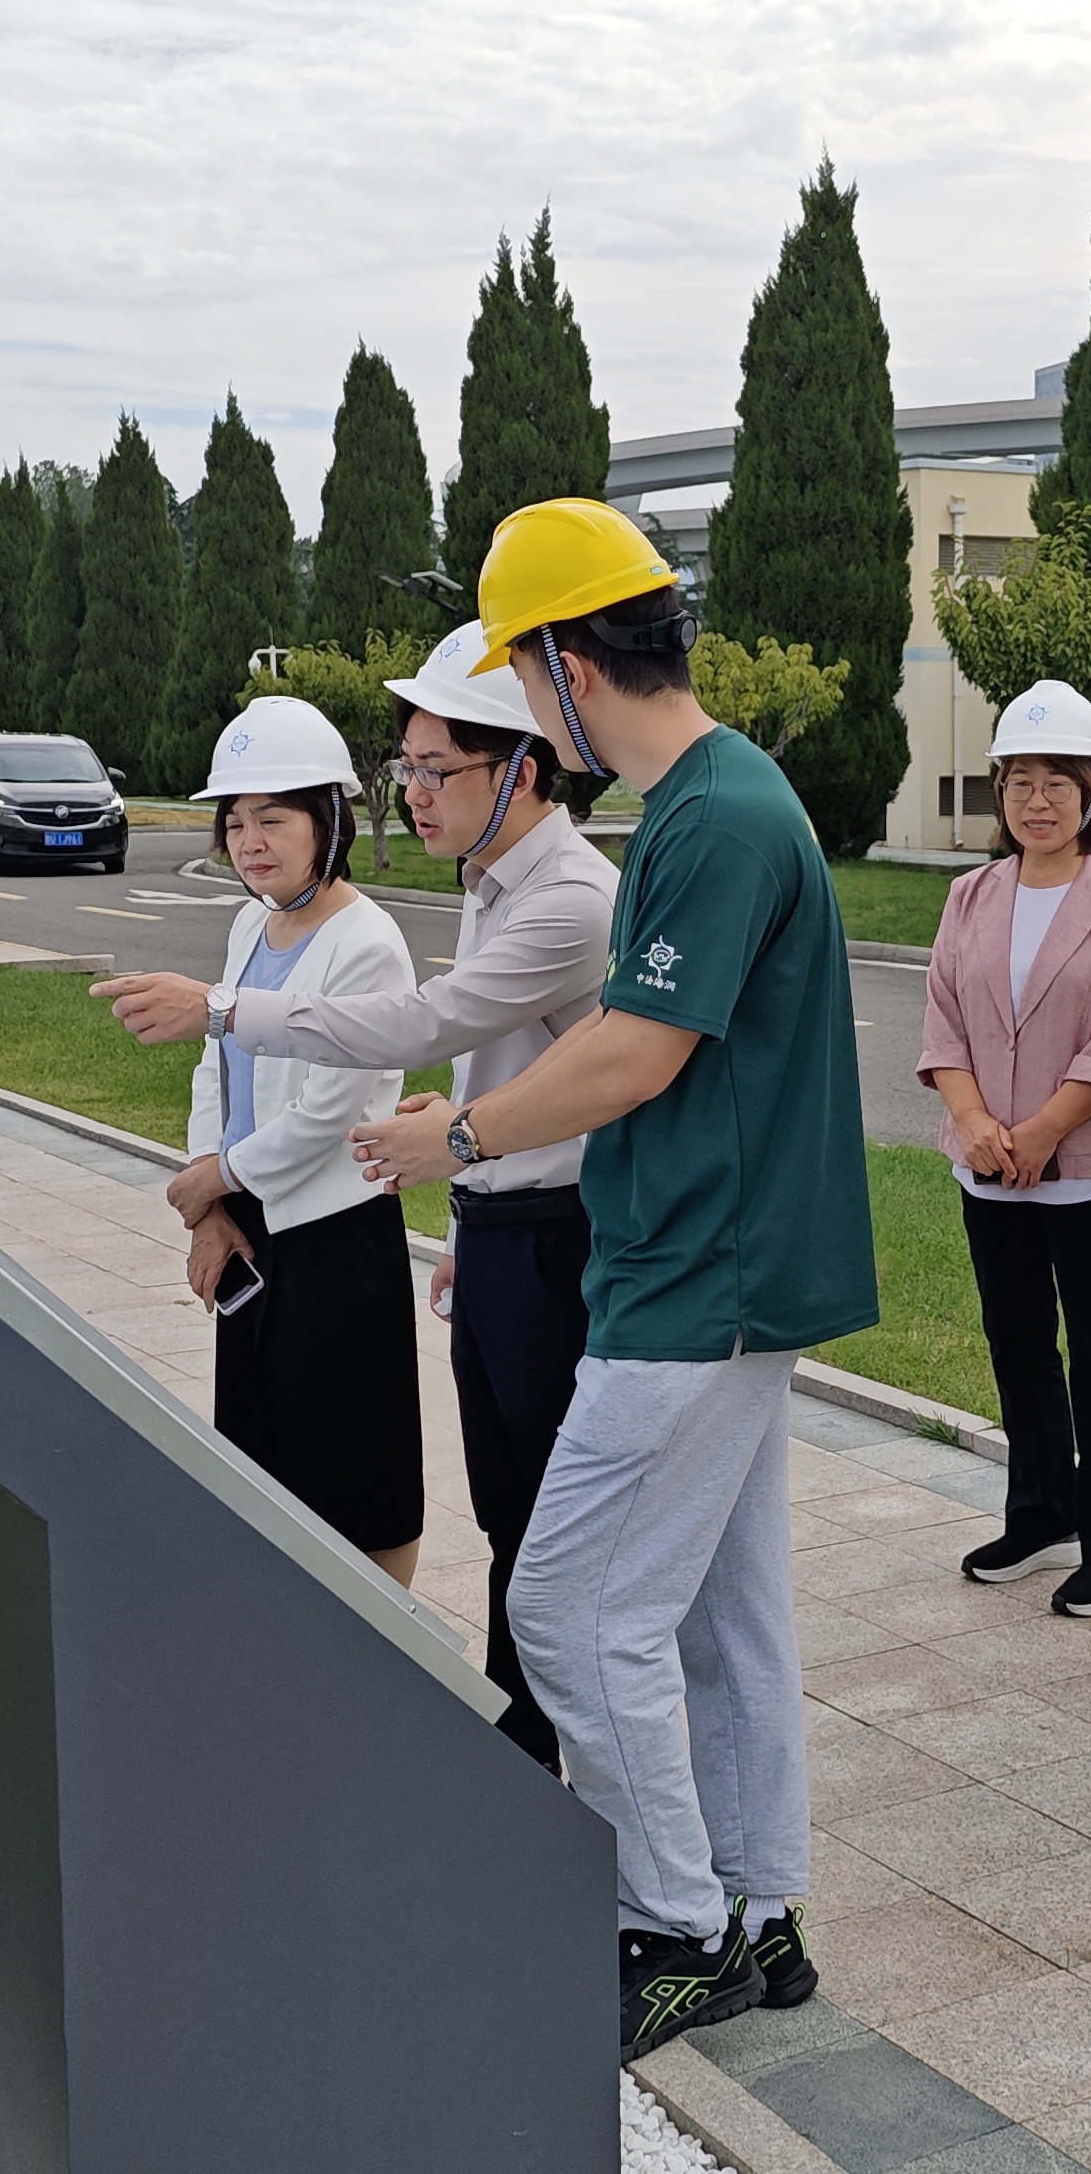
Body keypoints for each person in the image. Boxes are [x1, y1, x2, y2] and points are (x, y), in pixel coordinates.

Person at [351, 499, 878, 2064]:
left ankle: (678, 1925)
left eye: (523, 675)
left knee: (572, 1604)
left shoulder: (711, 819)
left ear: (572, 667)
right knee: (718, 1612)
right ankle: (757, 1909)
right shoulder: (714, 800)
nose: (526, 707)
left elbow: (636, 1055)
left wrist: (459, 1134)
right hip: (718, 1269)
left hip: (699, 1278)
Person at [93, 622, 615, 1769]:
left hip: (455, 1235)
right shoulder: (484, 885)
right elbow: (229, 1078)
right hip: (467, 1221)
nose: (413, 791)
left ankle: (517, 1759)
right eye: (407, 767)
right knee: (469, 1504)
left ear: (521, 768)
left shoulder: (548, 902)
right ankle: (496, 1745)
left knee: (451, 1502)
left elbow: (400, 1044)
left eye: (434, 769)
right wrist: (214, 1200)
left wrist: (220, 1102)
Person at [916, 679, 1091, 1616]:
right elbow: (944, 1018)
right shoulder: (971, 894)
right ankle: (1041, 1513)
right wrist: (978, 1125)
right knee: (1017, 1342)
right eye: (1020, 781)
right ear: (1000, 790)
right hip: (987, 1164)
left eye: (1058, 781)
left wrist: (1041, 1132)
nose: (1038, 800)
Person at [153, 696, 425, 1580]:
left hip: (333, 1240)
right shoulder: (249, 924)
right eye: (235, 823)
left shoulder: (366, 943)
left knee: (356, 1471)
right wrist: (211, 1201)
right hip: (249, 1220)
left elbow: (326, 1116)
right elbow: (216, 1067)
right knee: (262, 1457)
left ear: (328, 821)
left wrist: (216, 1179)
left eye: (273, 820)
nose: (250, 842)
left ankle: (383, 1639)